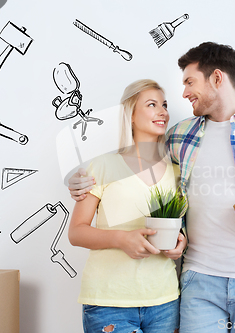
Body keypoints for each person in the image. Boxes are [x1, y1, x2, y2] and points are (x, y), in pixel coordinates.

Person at [69, 42, 235, 332]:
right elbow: (134, 160)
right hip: (199, 281)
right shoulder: (179, 136)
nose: (183, 93)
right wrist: (77, 180)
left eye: (190, 81)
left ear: (217, 78)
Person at [68, 79, 185, 333]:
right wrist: (122, 239)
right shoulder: (102, 166)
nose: (162, 111)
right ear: (130, 115)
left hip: (164, 301)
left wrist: (180, 242)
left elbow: (181, 225)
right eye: (152, 105)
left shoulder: (176, 172)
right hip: (108, 302)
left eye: (164, 105)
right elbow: (76, 232)